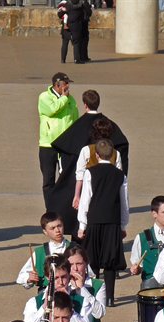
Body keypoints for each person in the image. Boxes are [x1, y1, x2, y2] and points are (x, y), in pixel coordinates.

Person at [48, 90, 129, 236]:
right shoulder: (110, 126)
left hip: (84, 181)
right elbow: (122, 148)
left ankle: (80, 232)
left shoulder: (78, 128)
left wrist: (75, 191)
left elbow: (67, 153)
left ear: (85, 104)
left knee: (82, 209)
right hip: (107, 188)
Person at [77, 139, 129, 307]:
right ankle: (110, 298)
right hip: (112, 221)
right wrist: (123, 225)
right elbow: (124, 202)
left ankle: (94, 293)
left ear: (96, 155)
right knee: (110, 260)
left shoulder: (90, 172)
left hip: (94, 220)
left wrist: (81, 225)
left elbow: (86, 199)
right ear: (113, 155)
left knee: (92, 258)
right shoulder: (120, 175)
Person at [38, 73, 78, 207]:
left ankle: (64, 206)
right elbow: (52, 110)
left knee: (66, 178)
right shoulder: (44, 97)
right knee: (48, 180)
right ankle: (50, 208)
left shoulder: (70, 99)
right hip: (48, 145)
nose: (68, 87)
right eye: (65, 84)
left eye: (68, 84)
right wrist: (64, 98)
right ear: (57, 85)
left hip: (65, 146)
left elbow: (75, 119)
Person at [16, 212, 73, 291]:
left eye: (59, 226)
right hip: (45, 292)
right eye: (52, 228)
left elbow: (89, 275)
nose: (57, 230)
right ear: (45, 232)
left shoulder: (74, 249)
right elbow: (21, 277)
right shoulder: (39, 252)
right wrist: (29, 278)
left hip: (71, 292)